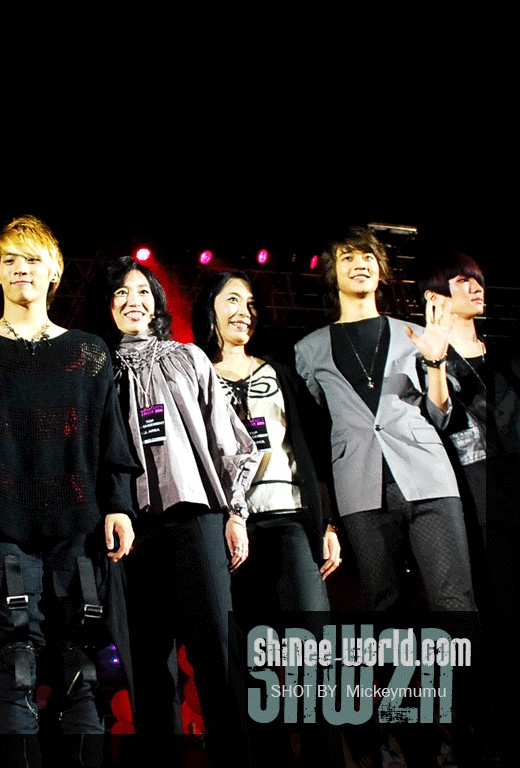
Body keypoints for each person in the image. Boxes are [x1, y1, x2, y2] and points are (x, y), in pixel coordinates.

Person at [0, 215, 140, 768]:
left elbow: (109, 436)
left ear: (54, 272)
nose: (21, 269)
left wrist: (119, 505)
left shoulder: (89, 352)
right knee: (13, 664)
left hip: (76, 524)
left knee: (80, 666)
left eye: (32, 259)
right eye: (10, 260)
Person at [98, 256, 261, 768]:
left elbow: (231, 440)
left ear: (157, 304)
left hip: (197, 518)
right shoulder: (97, 370)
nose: (133, 301)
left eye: (143, 292)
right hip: (132, 532)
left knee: (217, 657)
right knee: (149, 669)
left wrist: (236, 513)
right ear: (107, 306)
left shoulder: (188, 358)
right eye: (121, 293)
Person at [192, 269, 344, 767]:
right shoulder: (194, 376)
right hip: (228, 533)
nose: (245, 311)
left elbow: (311, 451)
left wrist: (326, 523)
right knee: (255, 669)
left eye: (251, 302)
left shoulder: (279, 374)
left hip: (288, 521)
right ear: (211, 308)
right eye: (233, 300)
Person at [293, 225, 476, 613]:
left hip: (429, 480)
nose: (360, 264)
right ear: (332, 273)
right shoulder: (309, 350)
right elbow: (317, 430)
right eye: (348, 257)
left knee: (453, 601)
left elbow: (441, 417)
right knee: (384, 605)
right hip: (360, 489)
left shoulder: (417, 334)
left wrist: (435, 361)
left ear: (381, 270)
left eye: (368, 257)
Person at [419, 251, 518, 749]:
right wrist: (436, 360)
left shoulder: (507, 361)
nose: (477, 287)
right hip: (475, 499)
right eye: (463, 280)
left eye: (479, 280)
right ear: (435, 297)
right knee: (496, 614)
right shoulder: (429, 361)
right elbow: (438, 417)